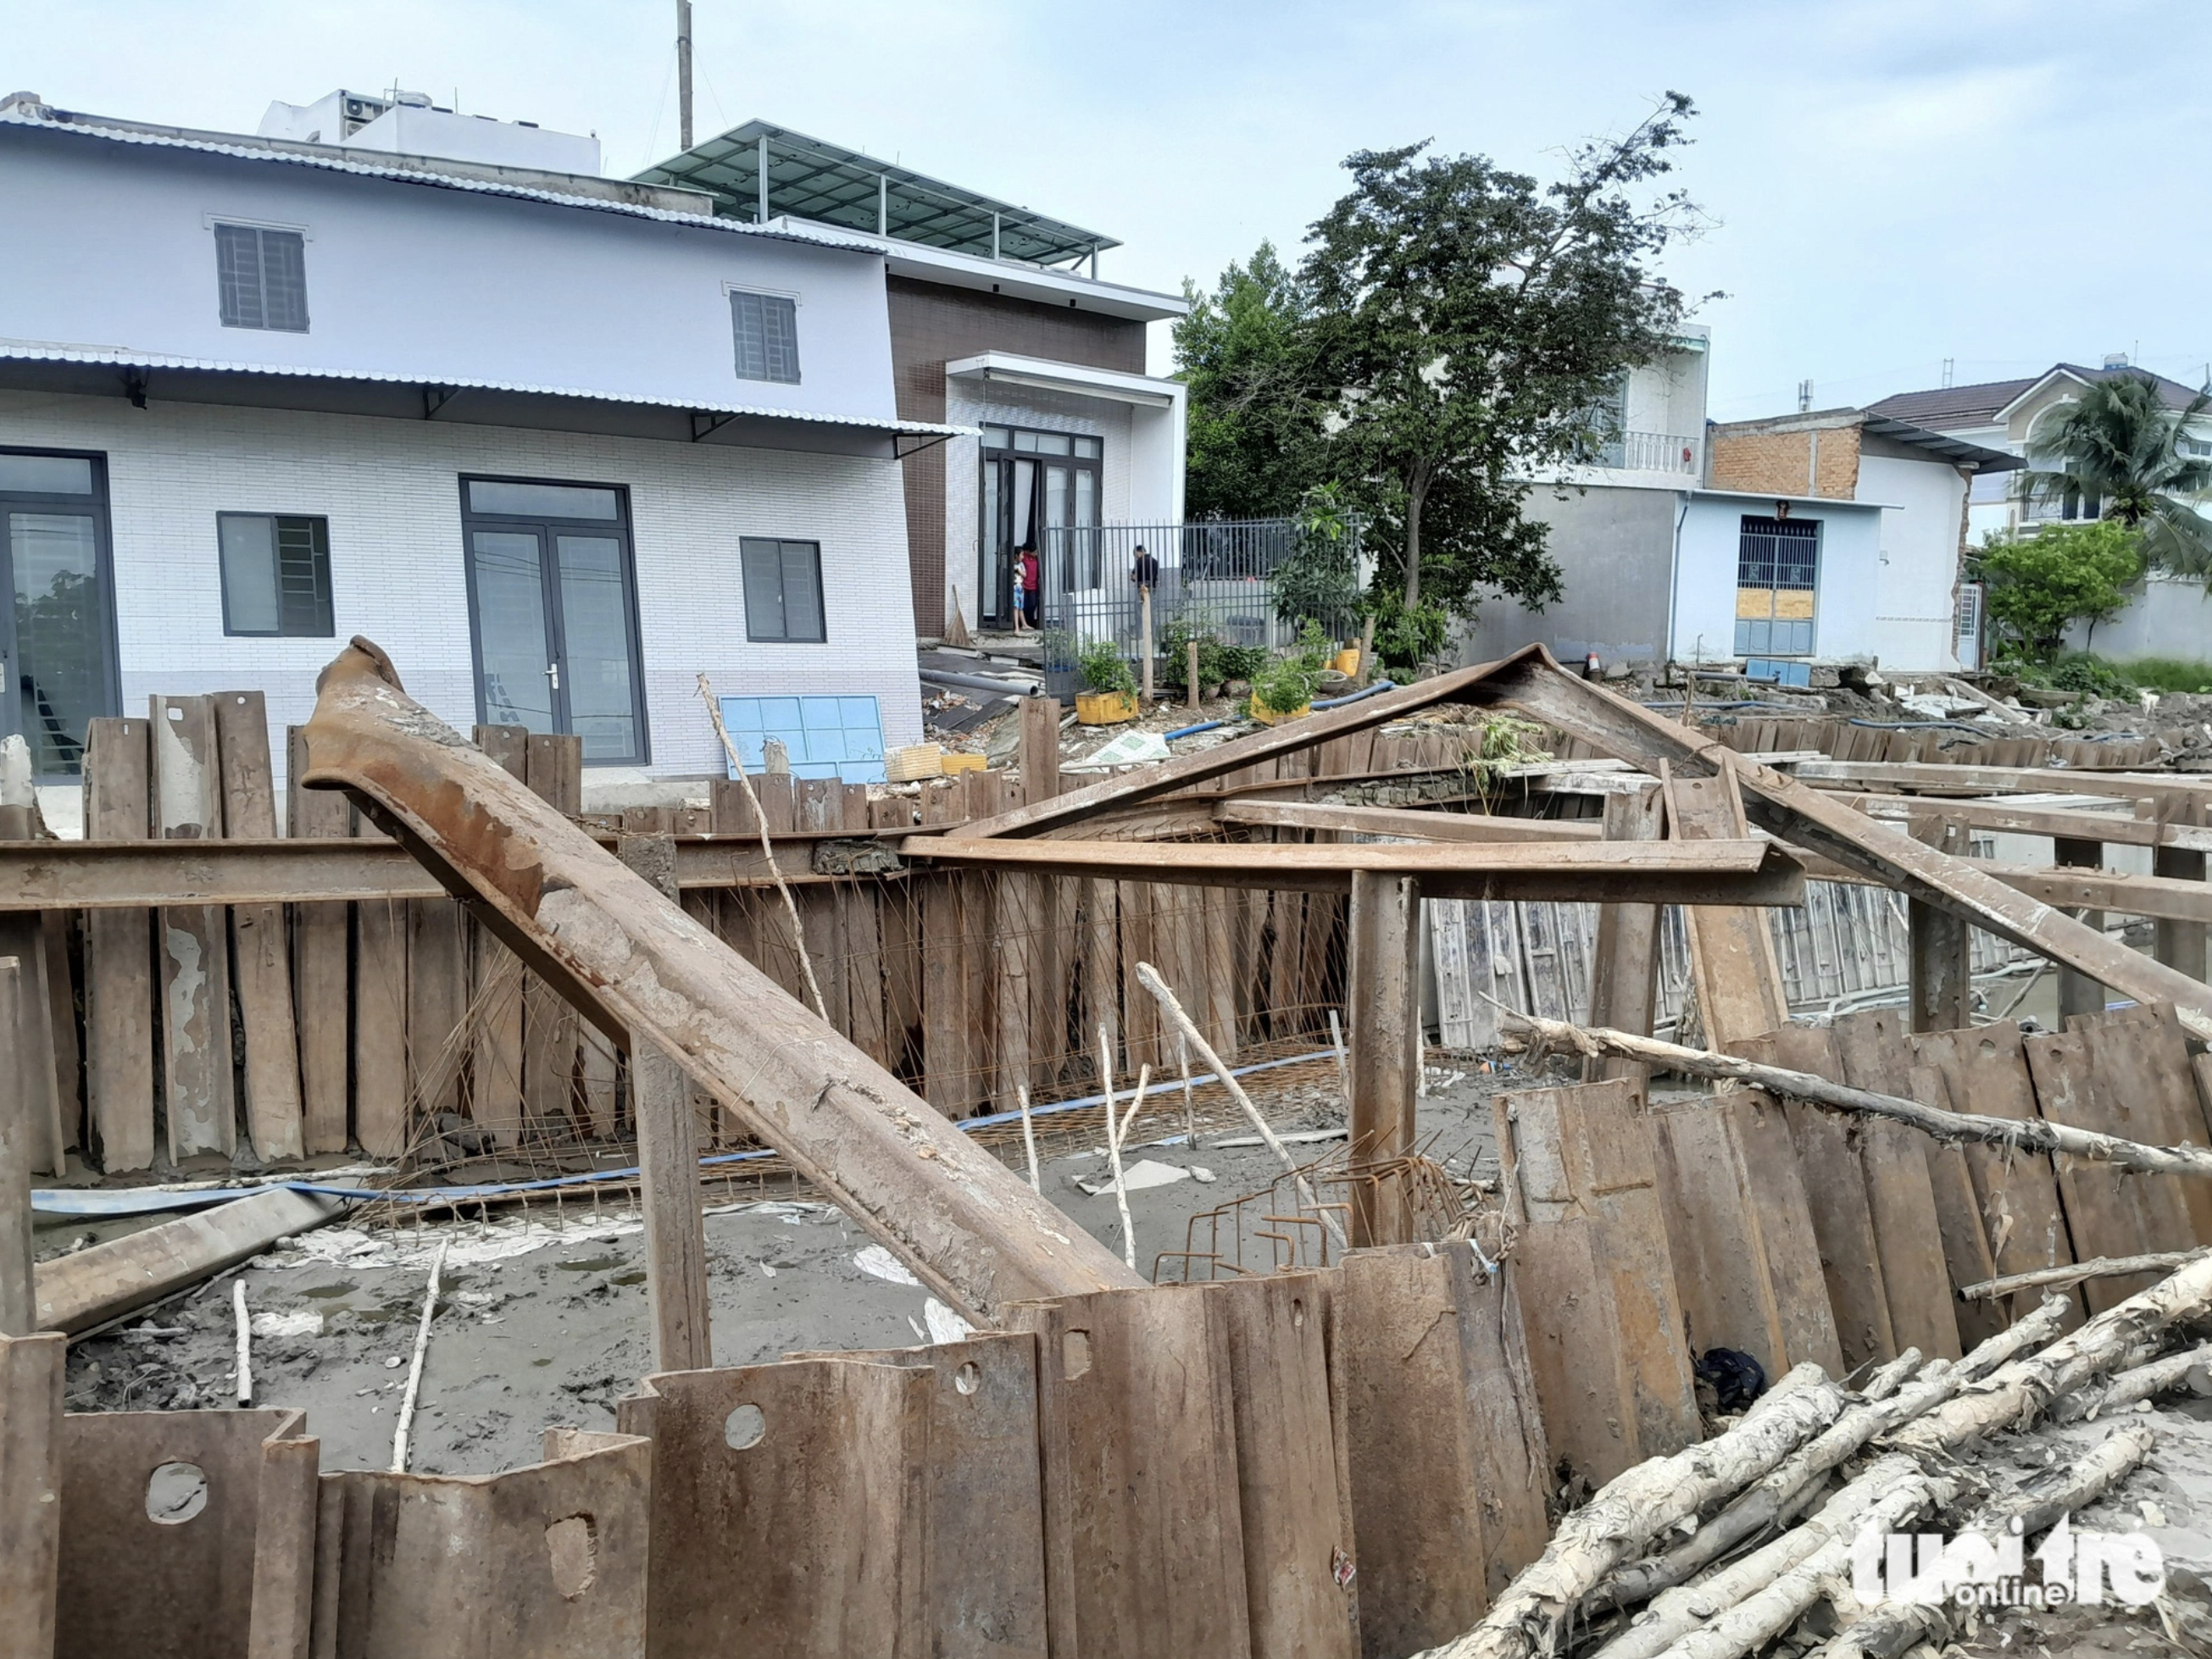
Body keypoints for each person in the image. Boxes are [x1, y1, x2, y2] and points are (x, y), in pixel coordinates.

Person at [1017, 544, 1042, 632]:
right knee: (1024, 605)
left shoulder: (1037, 559)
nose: (1036, 553)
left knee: (1033, 604)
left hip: (1033, 586)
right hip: (1025, 585)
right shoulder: (1025, 558)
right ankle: (1023, 623)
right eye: (1034, 552)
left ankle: (1030, 622)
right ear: (1029, 552)